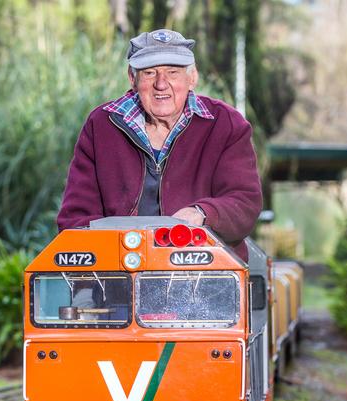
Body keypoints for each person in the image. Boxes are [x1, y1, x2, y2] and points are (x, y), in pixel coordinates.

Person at [57, 29, 262, 262]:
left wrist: (202, 214)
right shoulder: (101, 125)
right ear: (132, 79)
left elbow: (244, 204)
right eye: (149, 72)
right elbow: (74, 219)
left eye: (173, 72)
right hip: (115, 274)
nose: (161, 84)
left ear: (192, 77)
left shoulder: (226, 124)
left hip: (204, 274)